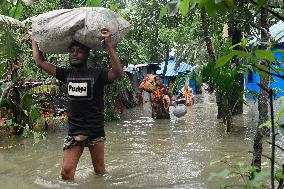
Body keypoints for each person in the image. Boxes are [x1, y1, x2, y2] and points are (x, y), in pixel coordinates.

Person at [28, 27, 124, 181]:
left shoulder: (98, 74)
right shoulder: (66, 74)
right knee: (66, 173)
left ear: (87, 54)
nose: (74, 53)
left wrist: (109, 46)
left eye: (79, 50)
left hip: (95, 131)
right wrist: (33, 39)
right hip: (74, 131)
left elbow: (118, 73)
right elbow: (39, 62)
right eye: (71, 50)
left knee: (100, 172)